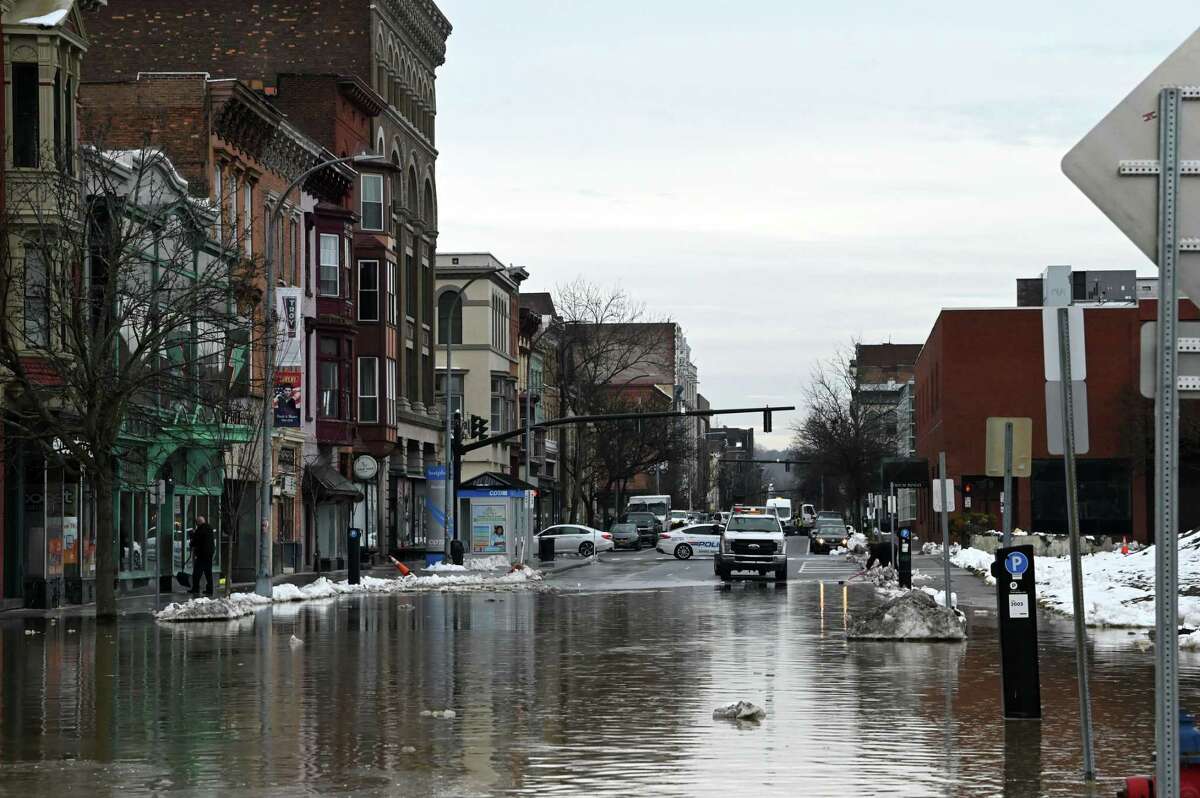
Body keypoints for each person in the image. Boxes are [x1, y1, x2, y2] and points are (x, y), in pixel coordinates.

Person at [190, 515, 216, 597]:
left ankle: (195, 588)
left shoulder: (200, 530)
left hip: (202, 554)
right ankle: (210, 590)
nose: (196, 524)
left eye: (197, 522)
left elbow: (195, 541)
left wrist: (192, 535)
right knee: (208, 572)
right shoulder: (210, 528)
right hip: (209, 554)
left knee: (197, 572)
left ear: (199, 522)